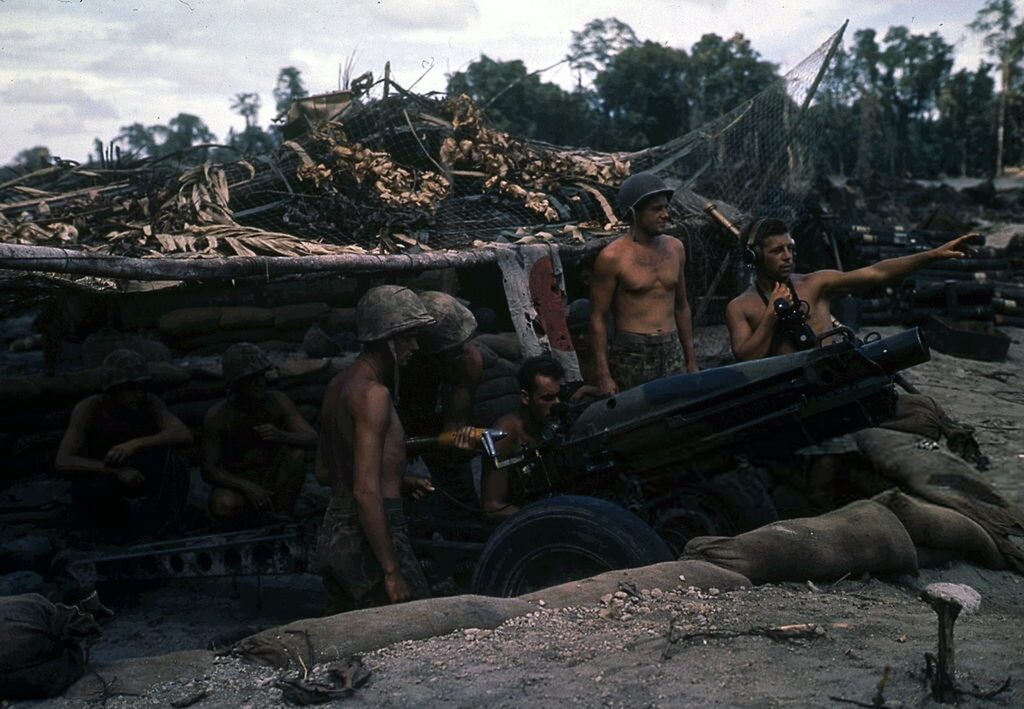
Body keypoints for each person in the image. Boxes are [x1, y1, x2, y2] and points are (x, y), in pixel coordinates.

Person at [316, 285, 436, 612]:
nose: (415, 346)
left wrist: (399, 478)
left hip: (335, 531)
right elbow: (366, 493)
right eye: (408, 337)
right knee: (417, 627)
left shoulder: (337, 385)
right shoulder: (373, 395)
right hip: (369, 537)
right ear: (386, 341)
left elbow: (325, 471)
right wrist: (392, 571)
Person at [725, 218, 979, 360]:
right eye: (777, 251)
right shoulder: (740, 307)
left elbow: (878, 273)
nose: (788, 256)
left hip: (836, 375)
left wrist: (933, 254)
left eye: (790, 248)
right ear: (754, 257)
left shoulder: (815, 284)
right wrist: (771, 316)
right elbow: (746, 360)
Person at [55, 349, 193, 539]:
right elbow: (63, 461)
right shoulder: (90, 408)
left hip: (139, 472)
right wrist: (115, 472)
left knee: (175, 461)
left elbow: (182, 433)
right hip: (103, 474)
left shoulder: (150, 403)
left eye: (141, 388)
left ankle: (165, 524)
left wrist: (136, 444)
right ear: (113, 390)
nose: (138, 395)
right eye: (130, 389)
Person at [590, 172, 699, 395]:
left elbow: (681, 306)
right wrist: (603, 374)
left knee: (677, 411)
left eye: (666, 208)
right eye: (656, 209)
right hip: (632, 353)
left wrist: (691, 359)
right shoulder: (613, 257)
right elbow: (598, 317)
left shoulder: (675, 248)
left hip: (671, 348)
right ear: (634, 213)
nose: (665, 215)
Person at [201, 343, 317, 527]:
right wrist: (247, 487)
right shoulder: (218, 416)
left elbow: (312, 438)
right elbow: (209, 469)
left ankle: (282, 517)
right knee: (223, 506)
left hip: (273, 476)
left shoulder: (278, 401)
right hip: (239, 482)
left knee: (298, 455)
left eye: (261, 376)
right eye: (252, 379)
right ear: (237, 382)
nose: (260, 384)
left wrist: (281, 436)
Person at [398, 291, 482, 502]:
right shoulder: (405, 364)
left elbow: (455, 423)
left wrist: (458, 447)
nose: (460, 352)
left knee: (458, 496)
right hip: (407, 424)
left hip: (437, 431)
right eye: (451, 350)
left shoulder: (468, 362)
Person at [480, 356, 566, 522]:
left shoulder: (559, 420)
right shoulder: (506, 435)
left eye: (559, 396)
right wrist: (547, 516)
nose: (557, 404)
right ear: (526, 397)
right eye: (547, 398)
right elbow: (492, 507)